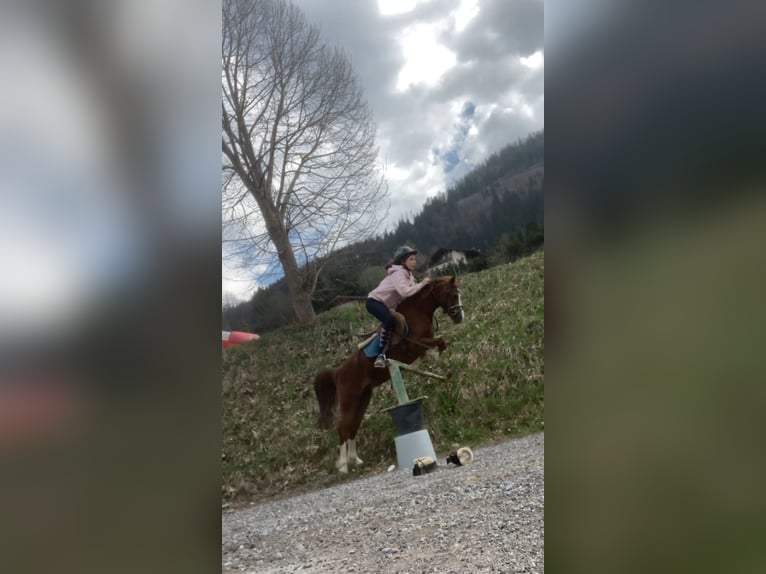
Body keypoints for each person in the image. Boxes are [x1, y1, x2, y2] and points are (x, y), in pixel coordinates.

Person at [366, 245, 432, 368]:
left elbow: (414, 292)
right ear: (403, 261)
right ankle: (381, 355)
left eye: (414, 259)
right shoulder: (398, 273)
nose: (414, 262)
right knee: (389, 320)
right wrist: (422, 284)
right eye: (411, 259)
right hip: (374, 302)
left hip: (386, 305)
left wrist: (426, 287)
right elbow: (404, 292)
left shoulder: (409, 276)